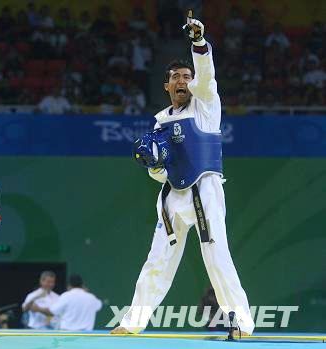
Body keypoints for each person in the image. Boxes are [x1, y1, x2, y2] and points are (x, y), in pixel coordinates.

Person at [111, 17, 255, 337]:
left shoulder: (205, 104)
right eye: (175, 76)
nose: (182, 80)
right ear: (166, 85)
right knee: (157, 260)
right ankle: (133, 322)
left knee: (216, 256)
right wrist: (154, 166)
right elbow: (159, 173)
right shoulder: (160, 121)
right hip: (174, 196)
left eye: (186, 76)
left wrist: (199, 43)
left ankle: (242, 322)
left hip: (205, 189)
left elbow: (207, 74)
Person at [31, 274, 102, 331]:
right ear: (82, 285)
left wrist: (38, 309)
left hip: (67, 335)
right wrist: (86, 293)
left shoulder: (66, 296)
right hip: (86, 336)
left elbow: (52, 311)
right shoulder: (91, 297)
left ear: (69, 285)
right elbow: (99, 306)